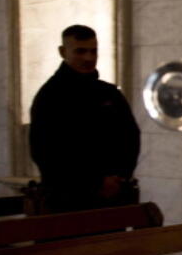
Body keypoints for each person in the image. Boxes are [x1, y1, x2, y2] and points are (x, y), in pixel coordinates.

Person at [29, 24, 140, 214]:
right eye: (80, 51)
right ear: (63, 52)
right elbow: (46, 151)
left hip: (113, 197)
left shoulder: (110, 93)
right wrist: (96, 182)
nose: (89, 58)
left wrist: (119, 177)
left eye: (93, 51)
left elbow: (130, 137)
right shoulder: (50, 96)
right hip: (67, 200)